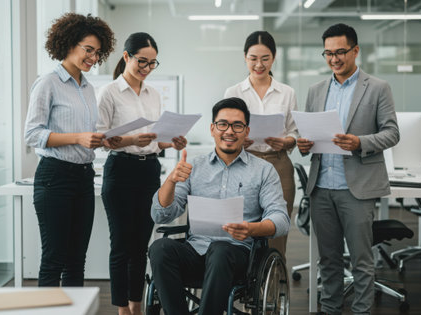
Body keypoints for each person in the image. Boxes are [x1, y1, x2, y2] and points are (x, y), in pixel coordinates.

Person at [148, 97, 290, 315]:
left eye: (237, 125)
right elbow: (161, 215)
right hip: (196, 251)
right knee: (159, 248)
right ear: (212, 129)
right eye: (222, 124)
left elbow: (281, 220)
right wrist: (171, 181)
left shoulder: (264, 170)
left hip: (239, 257)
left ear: (246, 131)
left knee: (221, 249)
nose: (229, 131)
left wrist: (251, 229)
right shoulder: (193, 166)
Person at [297, 23, 400, 315]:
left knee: (361, 261)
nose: (334, 59)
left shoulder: (378, 87)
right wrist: (304, 146)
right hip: (321, 187)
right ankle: (329, 309)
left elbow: (392, 133)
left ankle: (361, 311)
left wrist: (359, 142)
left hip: (356, 188)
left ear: (355, 50)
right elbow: (310, 136)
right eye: (328, 53)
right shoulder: (316, 90)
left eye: (340, 52)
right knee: (328, 260)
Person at [96, 32, 187, 315]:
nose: (146, 69)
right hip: (120, 170)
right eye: (141, 62)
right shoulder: (109, 92)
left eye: (152, 64)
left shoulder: (153, 94)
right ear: (126, 57)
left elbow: (154, 139)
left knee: (140, 244)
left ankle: (137, 303)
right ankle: (123, 308)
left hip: (149, 170)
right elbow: (101, 139)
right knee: (121, 244)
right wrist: (133, 140)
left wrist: (170, 141)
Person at [24, 13, 115, 287]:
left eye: (98, 53)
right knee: (54, 259)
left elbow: (84, 135)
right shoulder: (47, 83)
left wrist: (102, 140)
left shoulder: (87, 87)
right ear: (68, 44)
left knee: (77, 260)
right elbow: (32, 134)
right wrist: (78, 138)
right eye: (89, 50)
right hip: (55, 177)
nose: (94, 58)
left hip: (83, 178)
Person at [224, 31, 297, 260]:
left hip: (279, 164)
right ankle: (245, 286)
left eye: (265, 58)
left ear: (273, 58)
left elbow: (294, 131)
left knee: (277, 233)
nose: (259, 64)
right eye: (253, 58)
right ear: (245, 57)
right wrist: (236, 139)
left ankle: (275, 290)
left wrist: (286, 141)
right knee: (241, 230)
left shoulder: (287, 92)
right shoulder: (233, 92)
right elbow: (223, 131)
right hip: (243, 165)